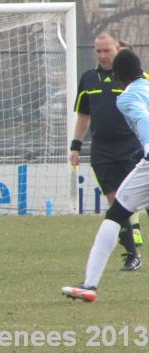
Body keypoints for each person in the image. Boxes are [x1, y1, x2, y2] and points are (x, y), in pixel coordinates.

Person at [62, 49, 149, 302]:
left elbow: (143, 119)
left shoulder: (126, 98)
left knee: (116, 215)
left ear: (117, 77)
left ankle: (90, 285)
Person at [69, 32, 142, 271]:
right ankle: (132, 255)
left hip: (133, 149)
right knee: (115, 204)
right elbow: (84, 115)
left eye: (106, 51)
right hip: (102, 151)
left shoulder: (137, 79)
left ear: (117, 49)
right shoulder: (88, 79)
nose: (102, 55)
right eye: (98, 51)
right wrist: (76, 145)